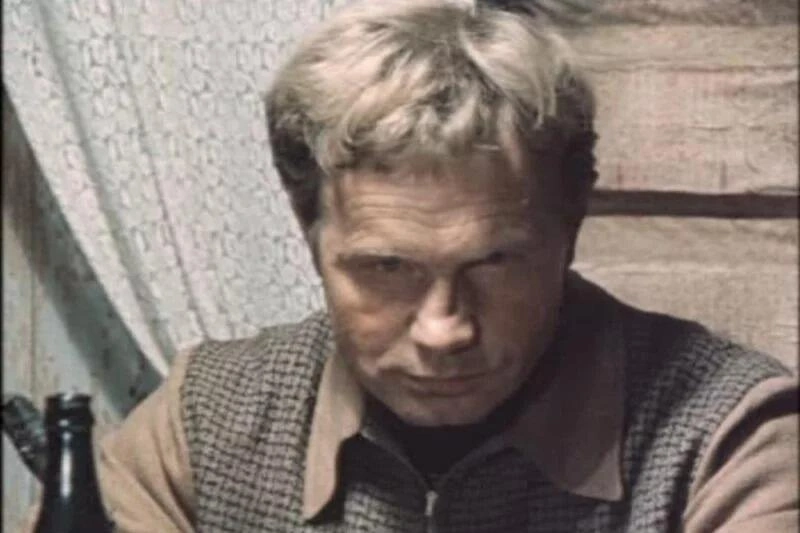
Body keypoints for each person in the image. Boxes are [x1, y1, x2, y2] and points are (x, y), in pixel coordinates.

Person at [29, 1, 797, 531]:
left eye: (495, 262)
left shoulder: (726, 437)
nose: (444, 330)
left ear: (571, 222)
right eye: (387, 267)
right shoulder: (204, 424)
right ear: (307, 228)